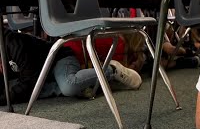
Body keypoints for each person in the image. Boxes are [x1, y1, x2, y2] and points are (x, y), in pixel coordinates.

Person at [0, 28, 142, 106]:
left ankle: (111, 70)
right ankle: (82, 86)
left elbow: (29, 81)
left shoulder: (15, 45)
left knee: (69, 86)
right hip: (40, 74)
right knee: (16, 88)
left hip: (59, 59)